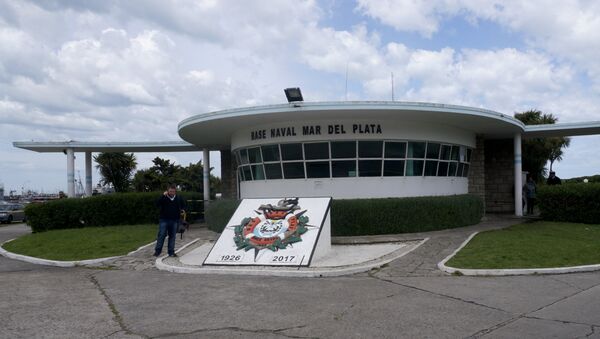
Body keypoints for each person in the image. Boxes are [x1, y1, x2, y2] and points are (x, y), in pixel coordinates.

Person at [154, 184, 186, 257]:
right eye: (170, 191)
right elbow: (157, 204)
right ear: (167, 191)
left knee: (172, 236)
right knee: (161, 235)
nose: (172, 193)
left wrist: (182, 210)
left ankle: (171, 252)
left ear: (175, 191)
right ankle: (157, 251)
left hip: (174, 220)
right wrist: (162, 195)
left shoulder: (178, 198)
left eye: (173, 191)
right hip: (164, 219)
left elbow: (183, 205)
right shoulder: (164, 197)